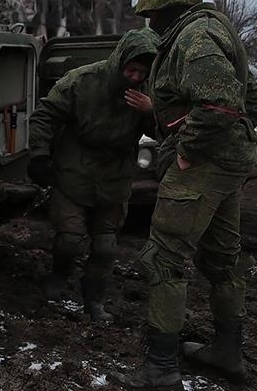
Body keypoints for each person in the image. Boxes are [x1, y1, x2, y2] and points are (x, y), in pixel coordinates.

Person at [110, 0, 257, 389]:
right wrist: (232, 143)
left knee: (164, 258)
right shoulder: (218, 31)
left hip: (203, 166)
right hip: (228, 165)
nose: (151, 24)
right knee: (222, 260)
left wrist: (186, 150)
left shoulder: (194, 37)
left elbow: (219, 104)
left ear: (169, 11)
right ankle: (227, 352)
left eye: (153, 15)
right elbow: (251, 103)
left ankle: (161, 369)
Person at [26, 28, 159, 322]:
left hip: (115, 177)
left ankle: (94, 298)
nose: (135, 77)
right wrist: (39, 155)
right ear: (120, 61)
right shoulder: (83, 80)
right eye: (131, 70)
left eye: (142, 73)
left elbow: (165, 130)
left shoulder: (150, 92)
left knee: (105, 246)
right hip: (74, 170)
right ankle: (59, 276)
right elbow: (45, 115)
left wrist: (151, 111)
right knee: (69, 238)